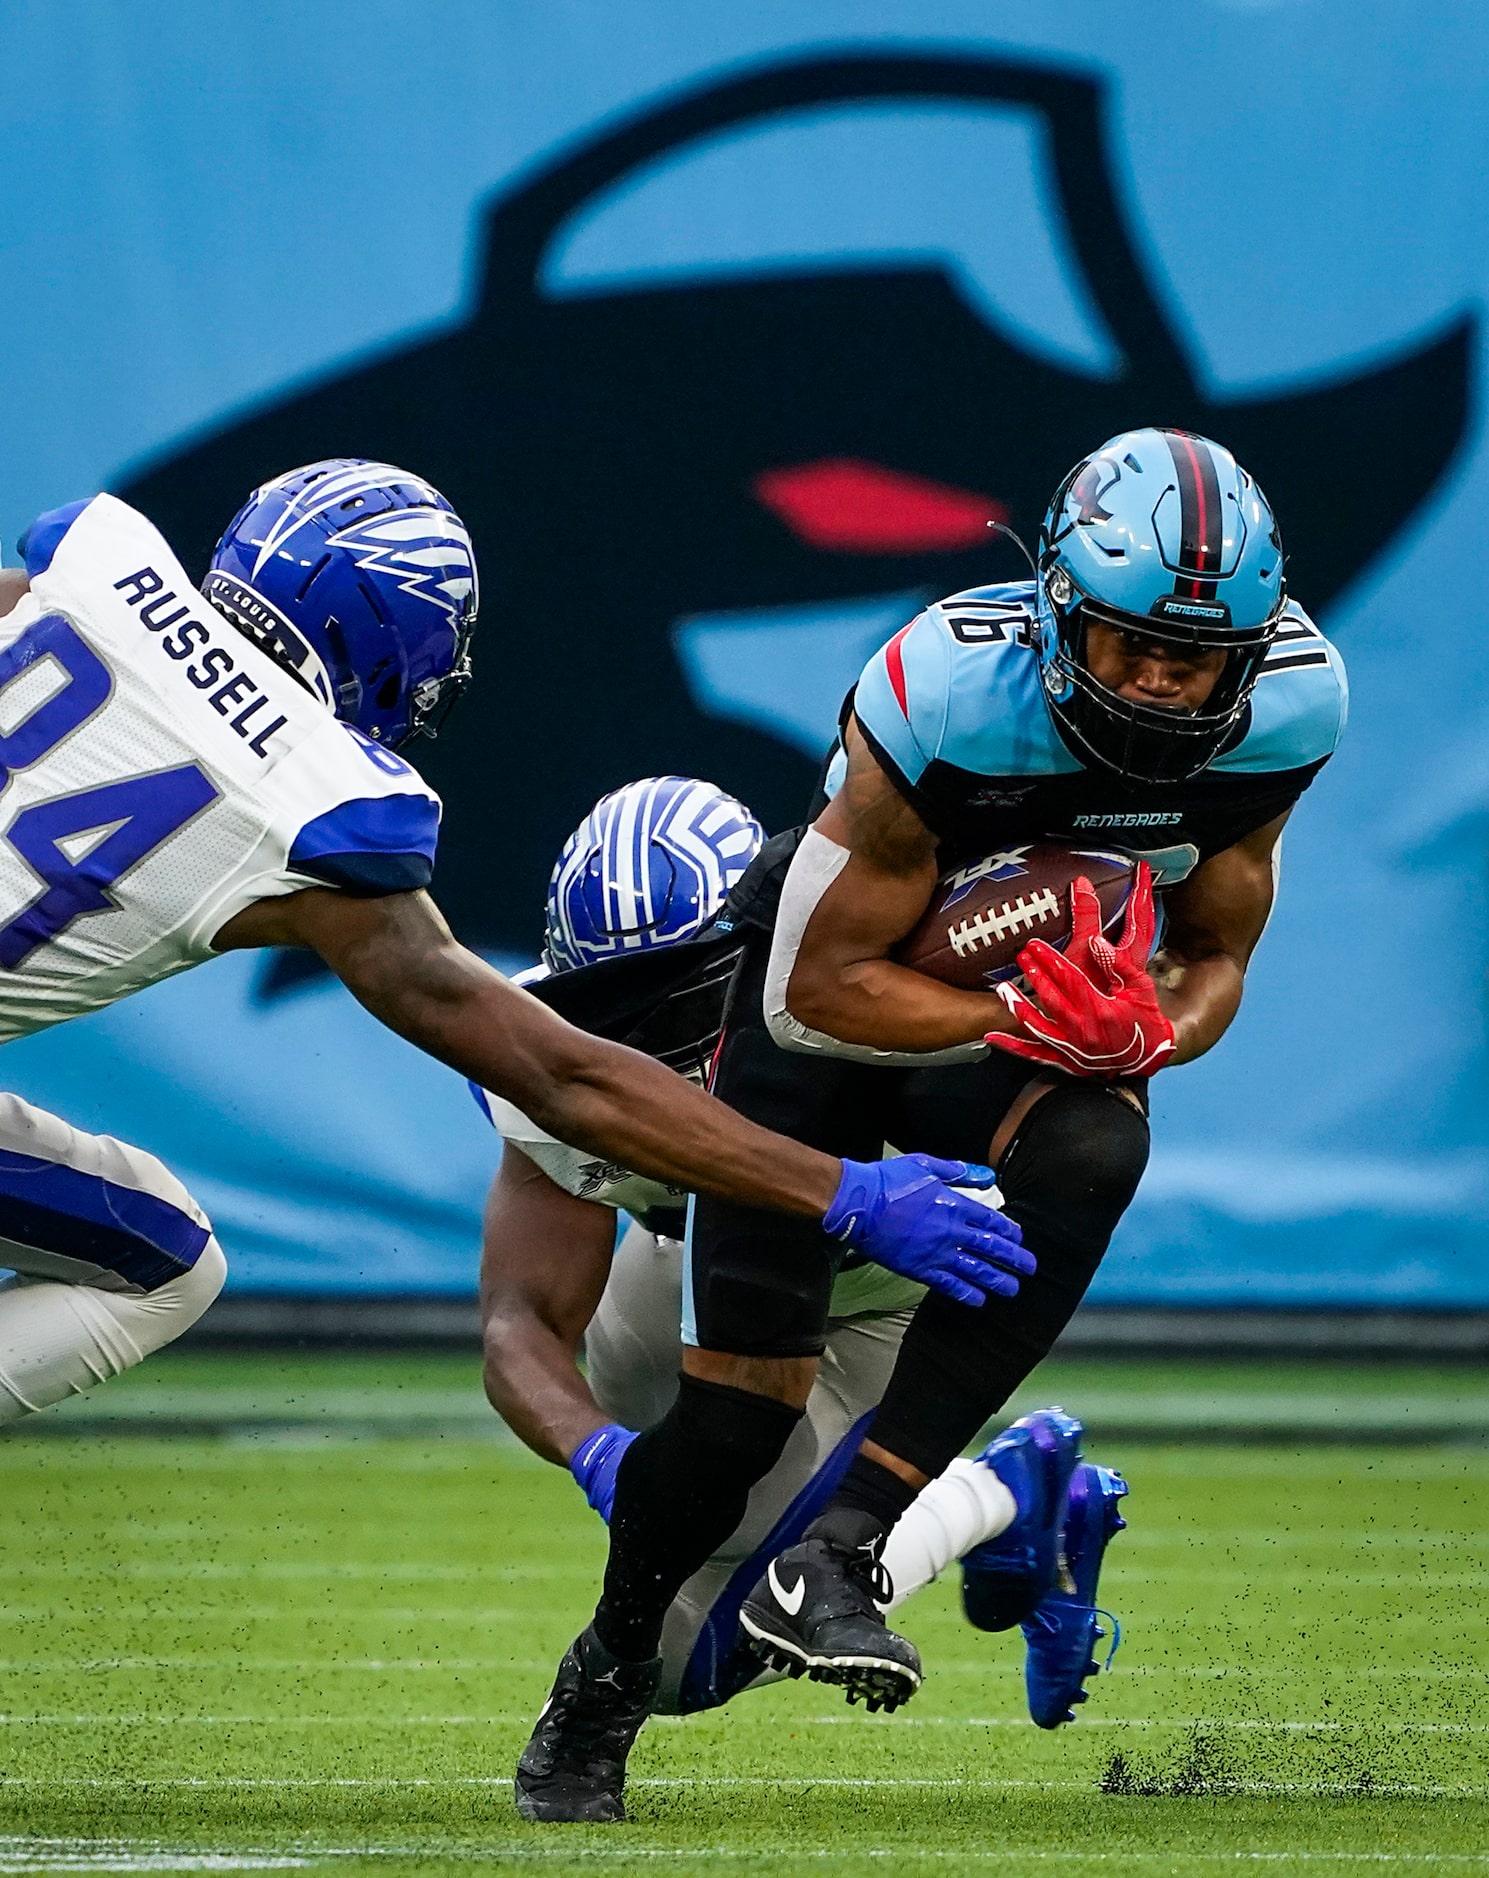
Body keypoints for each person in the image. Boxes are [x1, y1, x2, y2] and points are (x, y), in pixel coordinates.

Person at [517, 427, 1347, 1821]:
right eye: (1131, 642)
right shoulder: (948, 695)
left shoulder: (1292, 712)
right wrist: (1022, 1020)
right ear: (1054, 610)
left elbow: (1214, 953)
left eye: (1193, 656)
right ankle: (601, 1675)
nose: (1158, 677)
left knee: (1098, 1141)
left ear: (1249, 656)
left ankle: (841, 1546)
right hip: (830, 1039)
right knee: (721, 1437)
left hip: (984, 1029)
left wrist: (1144, 1032)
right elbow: (805, 993)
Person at [0, 459, 1027, 1426]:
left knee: (155, 1243)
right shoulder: (314, 805)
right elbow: (562, 1075)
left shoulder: (97, 563)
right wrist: (844, 1192)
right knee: (164, 1266)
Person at [473, 777, 1129, 1772]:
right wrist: (596, 1453)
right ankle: (996, 1504)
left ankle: (1001, 1489)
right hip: (692, 1277)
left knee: (687, 1662)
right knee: (679, 1525)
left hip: (879, 1301)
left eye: (683, 997)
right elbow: (519, 1321)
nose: (644, 1033)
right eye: (615, 1000)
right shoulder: (542, 1055)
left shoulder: (876, 992)